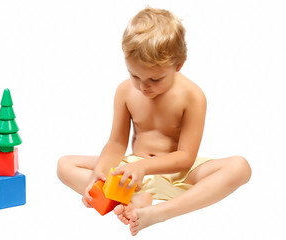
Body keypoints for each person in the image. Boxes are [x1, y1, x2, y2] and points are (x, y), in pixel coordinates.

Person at [57, 7, 252, 236]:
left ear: (178, 65)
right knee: (64, 165)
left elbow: (186, 157)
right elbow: (117, 144)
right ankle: (136, 199)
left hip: (180, 174)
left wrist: (142, 167)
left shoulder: (192, 96)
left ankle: (162, 211)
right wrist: (98, 174)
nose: (143, 86)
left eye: (155, 79)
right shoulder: (124, 91)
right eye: (135, 75)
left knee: (240, 167)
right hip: (132, 174)